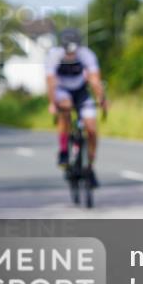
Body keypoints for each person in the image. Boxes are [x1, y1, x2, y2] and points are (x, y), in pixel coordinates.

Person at [46, 28, 107, 186]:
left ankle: (90, 166)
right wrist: (53, 103)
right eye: (68, 51)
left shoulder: (86, 54)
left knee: (92, 129)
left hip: (81, 90)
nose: (71, 55)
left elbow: (95, 80)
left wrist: (101, 98)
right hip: (62, 90)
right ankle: (64, 150)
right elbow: (51, 83)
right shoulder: (54, 56)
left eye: (74, 51)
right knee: (65, 108)